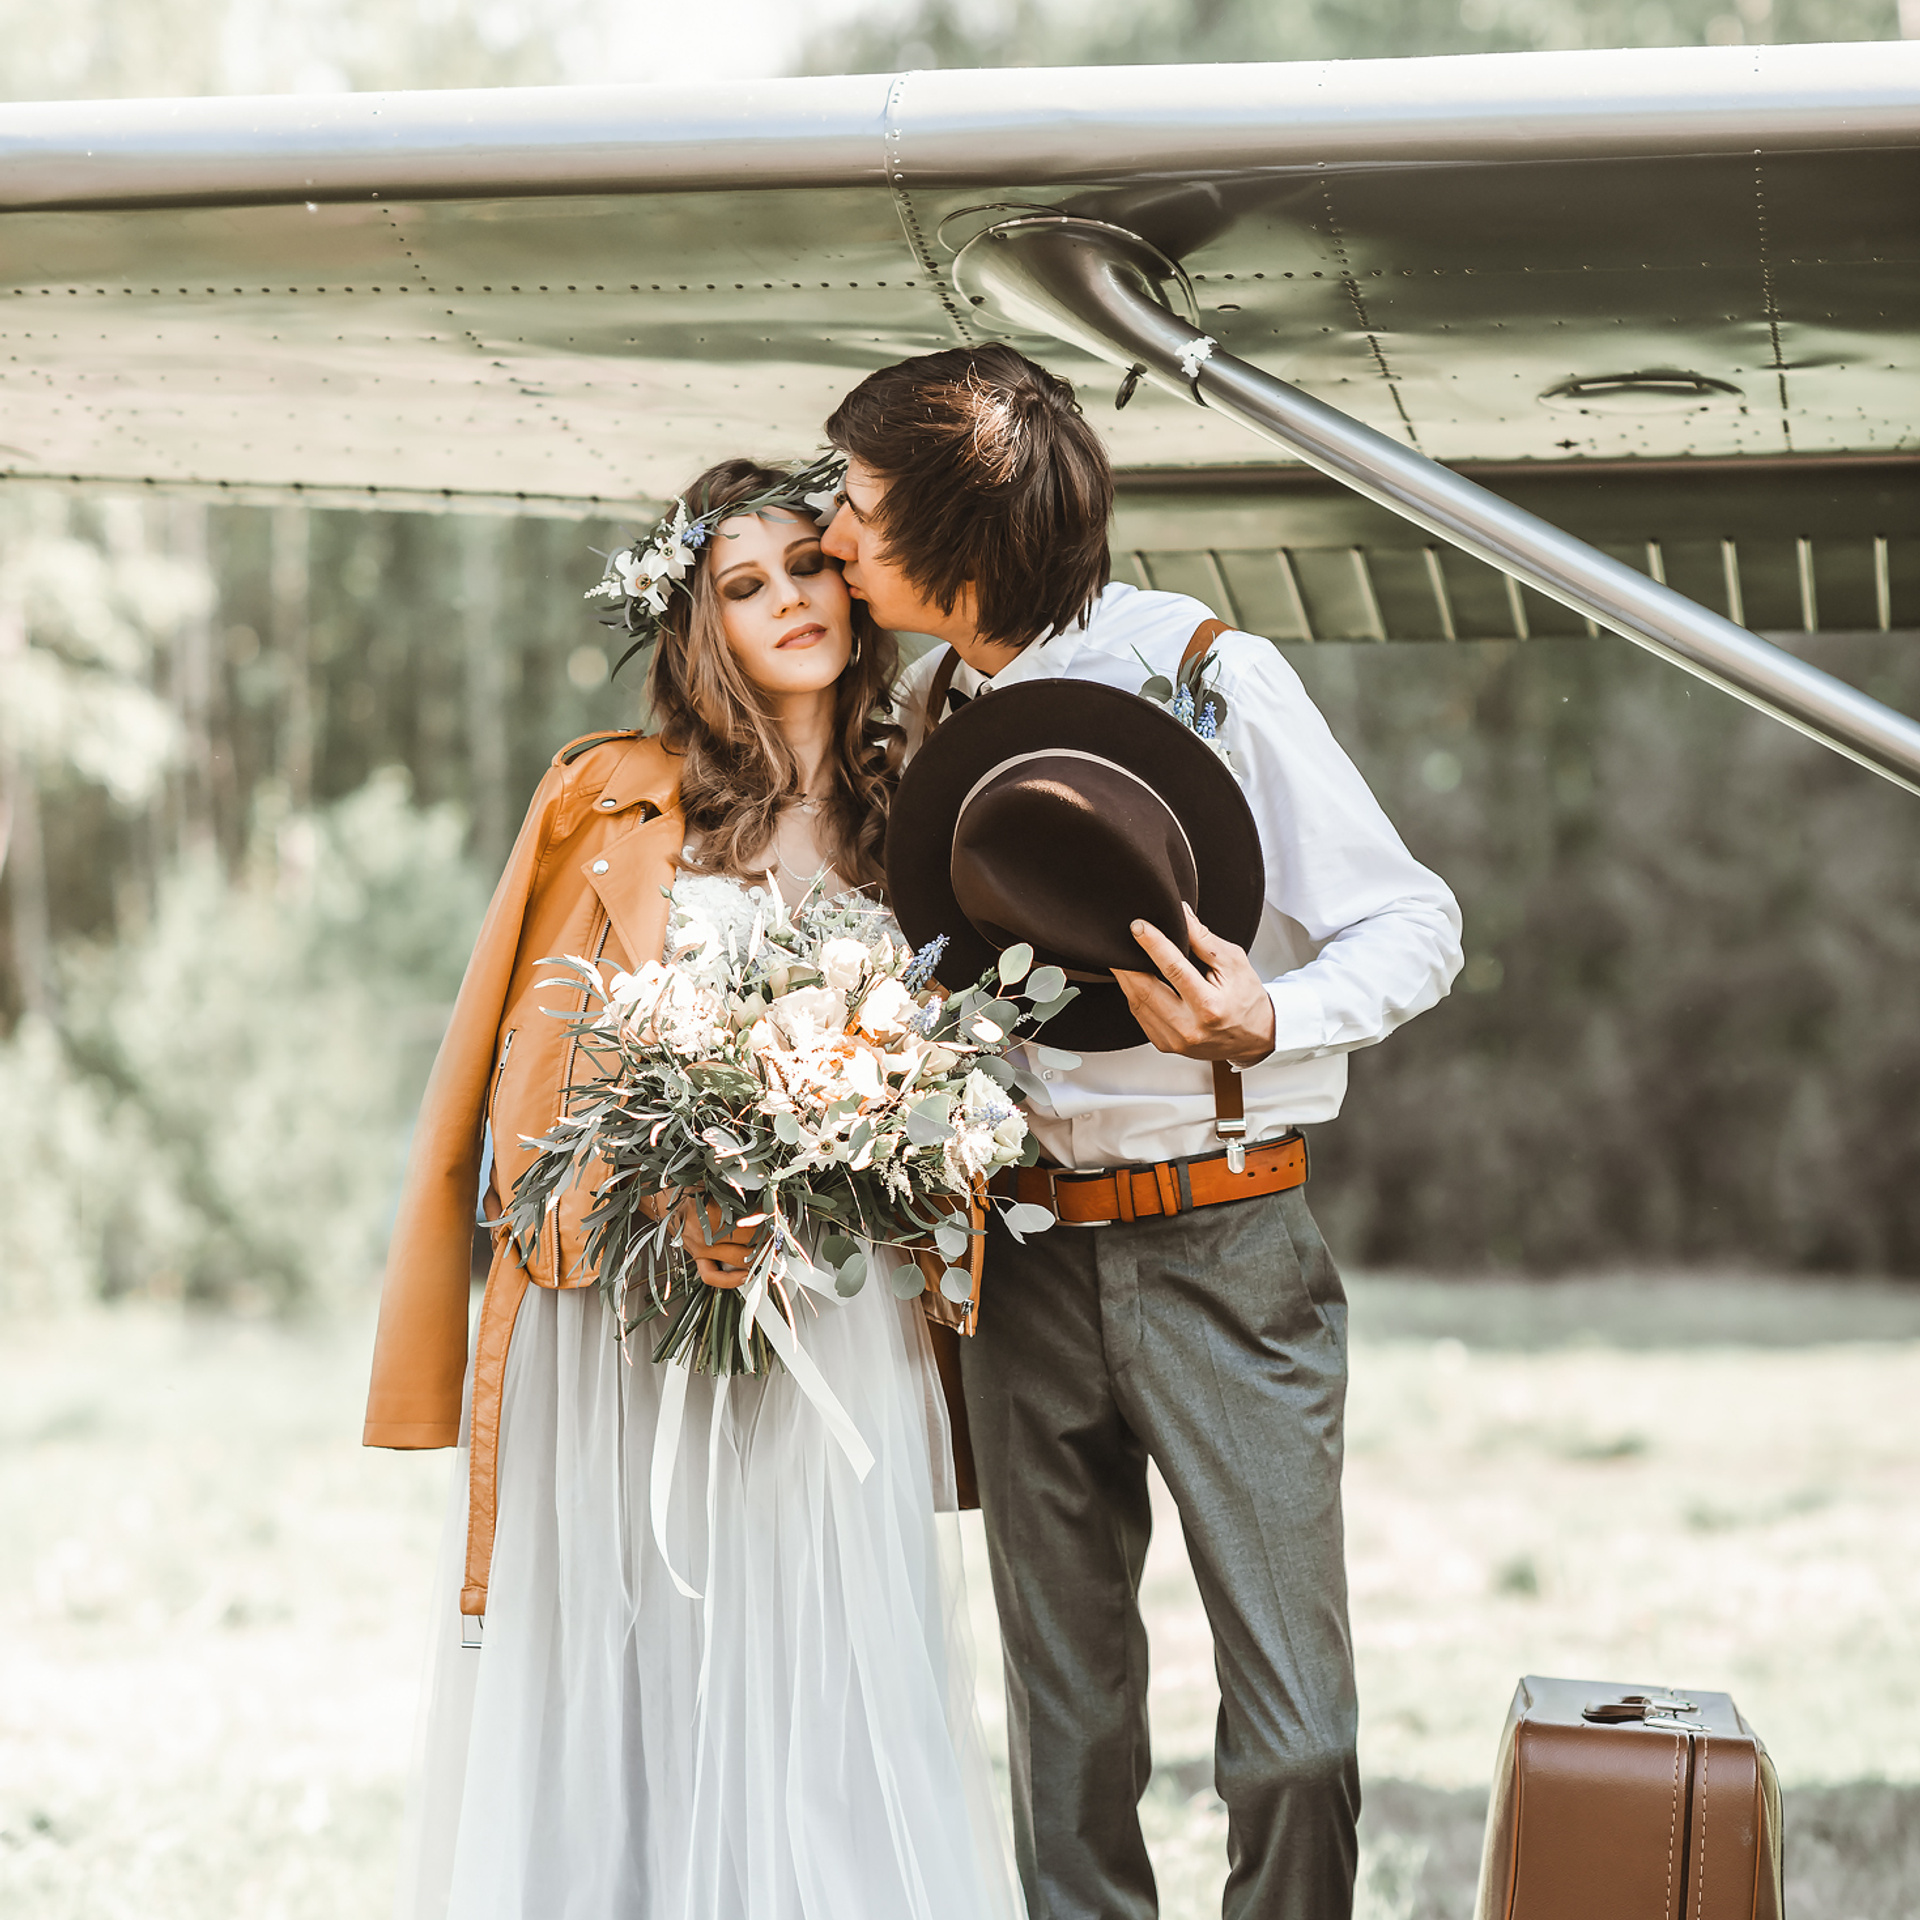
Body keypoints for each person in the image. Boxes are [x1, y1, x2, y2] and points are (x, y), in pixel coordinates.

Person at [819, 346, 1465, 1920]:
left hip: (1224, 1246)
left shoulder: (1206, 678)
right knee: (1069, 1749)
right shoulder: (920, 714)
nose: (833, 535)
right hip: (1018, 1264)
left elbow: (1417, 924)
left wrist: (1270, 1018)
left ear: (959, 538)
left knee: (1299, 1742)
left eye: (860, 504)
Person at [365, 458, 1023, 1920]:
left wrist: (867, 1166)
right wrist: (666, 1202)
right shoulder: (608, 796)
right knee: (635, 1657)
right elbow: (528, 1074)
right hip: (631, 1315)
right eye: (745, 584)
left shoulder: (922, 804)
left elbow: (966, 1060)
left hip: (840, 1315)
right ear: (697, 622)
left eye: (810, 566)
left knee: (828, 1662)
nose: (791, 599)